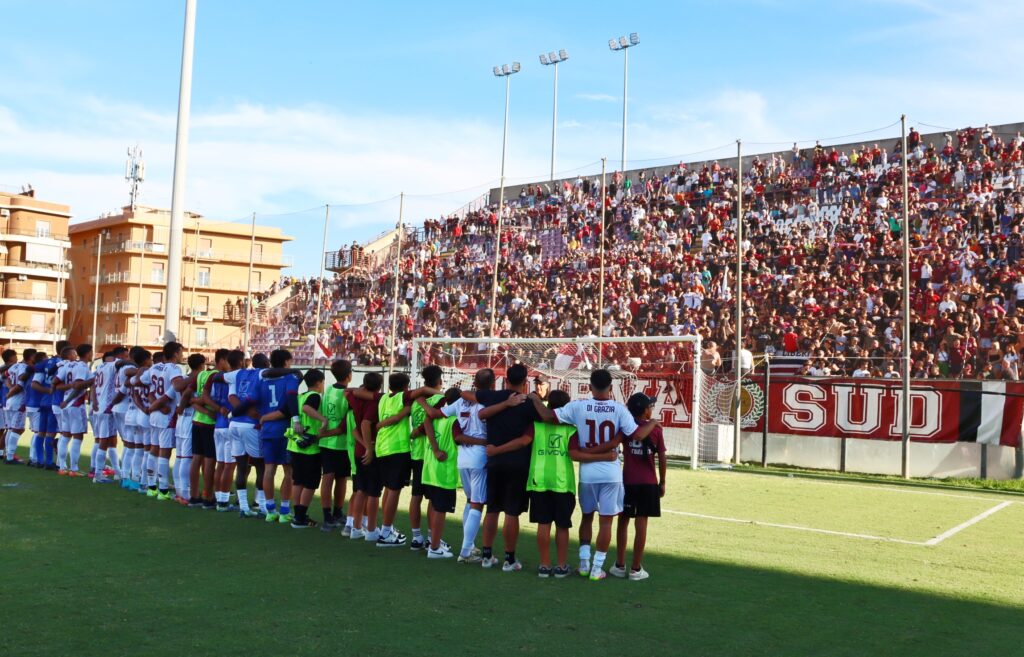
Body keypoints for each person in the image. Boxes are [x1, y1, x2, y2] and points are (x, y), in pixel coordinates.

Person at [531, 368, 661, 581]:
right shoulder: (619, 410)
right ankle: (596, 568)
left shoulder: (579, 406)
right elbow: (637, 434)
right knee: (606, 522)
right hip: (611, 474)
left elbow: (546, 416)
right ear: (611, 388)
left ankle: (583, 564)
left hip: (587, 473)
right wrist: (653, 423)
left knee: (587, 517)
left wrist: (534, 399)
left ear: (589, 387)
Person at [488, 389, 577, 578]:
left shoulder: (535, 426)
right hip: (562, 481)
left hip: (538, 480)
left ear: (549, 405)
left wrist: (497, 450)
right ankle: (561, 566)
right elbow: (576, 453)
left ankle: (544, 565)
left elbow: (521, 442)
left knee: (543, 523)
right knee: (562, 525)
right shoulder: (571, 428)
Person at [418, 367, 491, 563]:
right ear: (492, 385)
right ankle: (466, 550)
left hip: (461, 460)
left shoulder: (458, 403)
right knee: (477, 504)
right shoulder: (487, 401)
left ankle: (464, 545)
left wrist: (421, 401)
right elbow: (458, 435)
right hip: (478, 458)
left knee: (469, 501)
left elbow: (431, 416)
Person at [473, 363, 541, 572]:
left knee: (492, 508)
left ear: (505, 379)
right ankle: (509, 559)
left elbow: (469, 398)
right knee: (512, 512)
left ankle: (486, 555)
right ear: (526, 381)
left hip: (494, 462)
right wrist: (537, 397)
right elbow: (528, 436)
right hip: (517, 463)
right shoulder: (529, 404)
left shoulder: (493, 397)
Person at [612, 393, 667, 581]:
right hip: (648, 482)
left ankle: (619, 565)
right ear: (645, 411)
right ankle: (636, 568)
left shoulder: (626, 427)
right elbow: (662, 457)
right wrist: (663, 481)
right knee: (641, 524)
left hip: (628, 481)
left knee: (623, 521)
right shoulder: (656, 429)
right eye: (650, 407)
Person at [254, 349, 300, 523]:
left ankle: (270, 510)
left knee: (269, 470)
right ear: (287, 362)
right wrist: (295, 419)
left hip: (267, 430)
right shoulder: (291, 378)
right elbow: (291, 400)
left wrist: (264, 416)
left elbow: (255, 401)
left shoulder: (263, 379)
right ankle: (285, 511)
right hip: (284, 429)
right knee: (288, 471)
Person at [419, 388, 462, 559]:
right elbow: (460, 439)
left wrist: (435, 448)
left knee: (434, 505)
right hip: (444, 471)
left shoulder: (435, 416)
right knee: (441, 510)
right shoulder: (454, 421)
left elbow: (426, 422)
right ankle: (435, 548)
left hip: (430, 468)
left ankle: (433, 541)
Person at [284, 369, 326, 529]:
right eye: (322, 382)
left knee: (298, 480)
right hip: (309, 447)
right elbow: (307, 409)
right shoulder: (314, 396)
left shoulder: (300, 396)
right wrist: (323, 420)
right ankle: (300, 517)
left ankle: (299, 515)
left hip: (295, 445)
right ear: (318, 382)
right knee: (310, 482)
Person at [347, 371, 384, 541]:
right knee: (374, 492)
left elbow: (355, 430)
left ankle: (356, 527)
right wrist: (369, 448)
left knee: (360, 489)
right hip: (372, 450)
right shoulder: (376, 401)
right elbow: (365, 424)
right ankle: (371, 530)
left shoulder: (354, 398)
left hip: (358, 449)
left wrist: (363, 445)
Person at [318, 359, 354, 532]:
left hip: (326, 442)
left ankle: (330, 515)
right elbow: (343, 427)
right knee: (339, 478)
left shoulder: (329, 389)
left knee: (329, 477)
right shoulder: (348, 395)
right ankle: (335, 513)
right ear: (349, 375)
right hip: (340, 443)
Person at [190, 349, 222, 508]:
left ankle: (194, 496)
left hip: (196, 421)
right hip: (209, 424)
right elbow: (204, 397)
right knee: (210, 460)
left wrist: (203, 409)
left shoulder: (201, 374)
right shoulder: (216, 376)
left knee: (196, 459)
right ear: (222, 361)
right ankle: (208, 497)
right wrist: (212, 411)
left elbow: (195, 399)